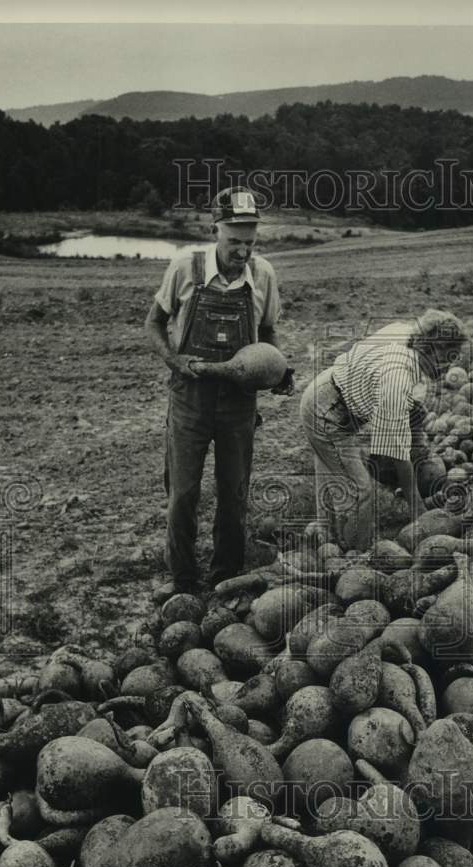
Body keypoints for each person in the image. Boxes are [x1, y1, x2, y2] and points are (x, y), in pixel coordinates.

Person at [145, 186, 293, 598]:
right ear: (215, 230)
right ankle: (183, 581)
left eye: (250, 242)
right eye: (234, 242)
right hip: (190, 399)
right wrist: (174, 361)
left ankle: (227, 578)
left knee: (234, 491)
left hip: (239, 404)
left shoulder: (263, 274)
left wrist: (275, 370)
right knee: (183, 493)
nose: (243, 252)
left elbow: (267, 332)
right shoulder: (184, 268)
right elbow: (153, 323)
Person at [299, 310, 467, 551]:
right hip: (326, 411)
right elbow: (398, 454)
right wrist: (417, 508)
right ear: (430, 347)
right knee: (360, 490)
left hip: (331, 393)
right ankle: (355, 556)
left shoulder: (409, 333)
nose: (449, 365)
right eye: (447, 357)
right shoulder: (398, 377)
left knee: (331, 472)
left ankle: (325, 538)